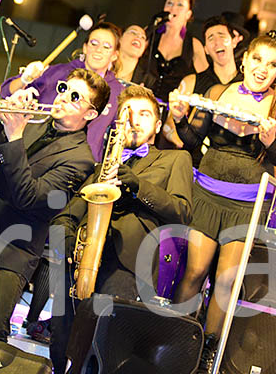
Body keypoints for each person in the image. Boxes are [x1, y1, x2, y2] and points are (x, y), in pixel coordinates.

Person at [0, 68, 106, 341]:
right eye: (63, 89)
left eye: (75, 97)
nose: (62, 99)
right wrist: (7, 111)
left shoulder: (80, 160)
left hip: (10, 255)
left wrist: (15, 137)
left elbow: (31, 198)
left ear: (91, 114)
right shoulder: (34, 122)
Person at [169, 30, 276, 372]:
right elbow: (192, 138)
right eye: (257, 59)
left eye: (272, 64)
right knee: (194, 271)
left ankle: (208, 354)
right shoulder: (218, 92)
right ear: (244, 58)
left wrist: (270, 142)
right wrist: (180, 117)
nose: (262, 69)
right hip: (208, 193)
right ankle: (178, 343)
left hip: (247, 205)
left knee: (225, 283)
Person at [48, 84, 193, 374]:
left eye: (144, 114)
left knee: (101, 348)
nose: (134, 120)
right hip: (82, 260)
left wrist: (137, 185)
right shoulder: (102, 164)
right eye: (127, 113)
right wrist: (63, 234)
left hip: (126, 264)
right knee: (62, 343)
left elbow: (182, 211)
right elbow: (71, 210)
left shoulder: (175, 159)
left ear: (157, 124)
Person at [1, 22, 125, 161]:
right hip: (36, 156)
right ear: (85, 47)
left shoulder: (118, 91)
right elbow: (6, 93)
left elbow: (120, 136)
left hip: (82, 165)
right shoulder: (57, 72)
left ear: (115, 55)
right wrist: (24, 80)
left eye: (106, 46)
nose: (98, 50)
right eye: (94, 43)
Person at [162, 16, 243, 156]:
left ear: (234, 41)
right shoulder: (192, 81)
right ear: (205, 49)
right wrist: (181, 141)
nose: (217, 42)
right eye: (210, 38)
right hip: (194, 163)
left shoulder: (246, 84)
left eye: (222, 36)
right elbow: (169, 124)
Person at [137, 0, 208, 101]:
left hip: (172, 110)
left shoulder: (193, 45)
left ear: (188, 14)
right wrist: (150, 29)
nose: (173, 8)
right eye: (169, 3)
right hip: (142, 102)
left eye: (180, 5)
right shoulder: (151, 33)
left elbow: (206, 79)